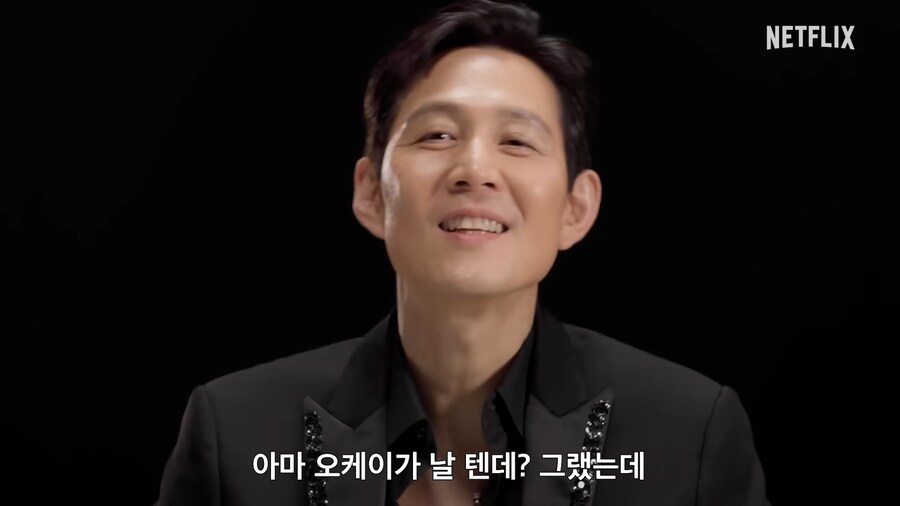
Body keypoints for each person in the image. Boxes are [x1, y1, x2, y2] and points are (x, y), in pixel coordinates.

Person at [156, 1, 770, 504]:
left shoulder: (689, 435)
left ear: (575, 209)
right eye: (438, 134)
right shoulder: (234, 433)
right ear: (371, 194)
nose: (475, 169)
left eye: (517, 141)